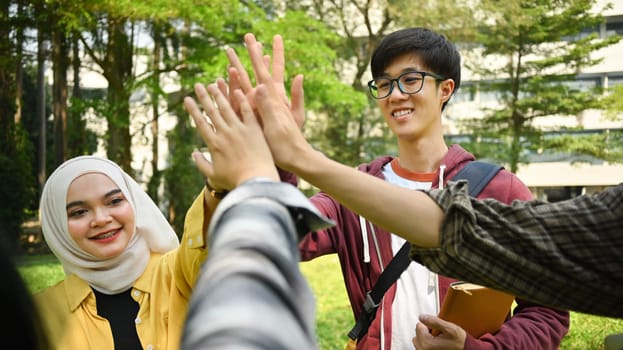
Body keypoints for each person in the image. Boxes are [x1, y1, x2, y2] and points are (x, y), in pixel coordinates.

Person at [189, 33, 623, 323]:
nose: (395, 94)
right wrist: (263, 166)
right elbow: (287, 240)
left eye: (411, 80)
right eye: (384, 83)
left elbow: (547, 313)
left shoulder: (499, 187)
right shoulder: (353, 190)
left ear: (446, 89)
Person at [182, 89, 334, 349]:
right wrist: (270, 166)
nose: (102, 219)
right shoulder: (362, 190)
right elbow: (288, 233)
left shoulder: (375, 196)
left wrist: (257, 173)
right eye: (83, 210)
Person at [34, 155, 216, 349]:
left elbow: (208, 242)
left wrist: (218, 189)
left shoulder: (178, 275)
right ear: (57, 225)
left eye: (114, 201)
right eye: (79, 212)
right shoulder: (40, 313)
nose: (102, 219)